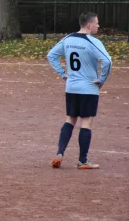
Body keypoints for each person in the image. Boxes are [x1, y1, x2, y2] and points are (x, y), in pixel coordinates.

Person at [47, 12, 112, 169]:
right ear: (89, 25)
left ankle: (59, 154)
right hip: (88, 88)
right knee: (86, 122)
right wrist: (102, 80)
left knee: (70, 119)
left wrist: (63, 74)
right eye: (97, 23)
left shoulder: (68, 39)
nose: (98, 26)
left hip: (71, 87)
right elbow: (107, 61)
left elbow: (51, 55)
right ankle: (83, 160)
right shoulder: (92, 41)